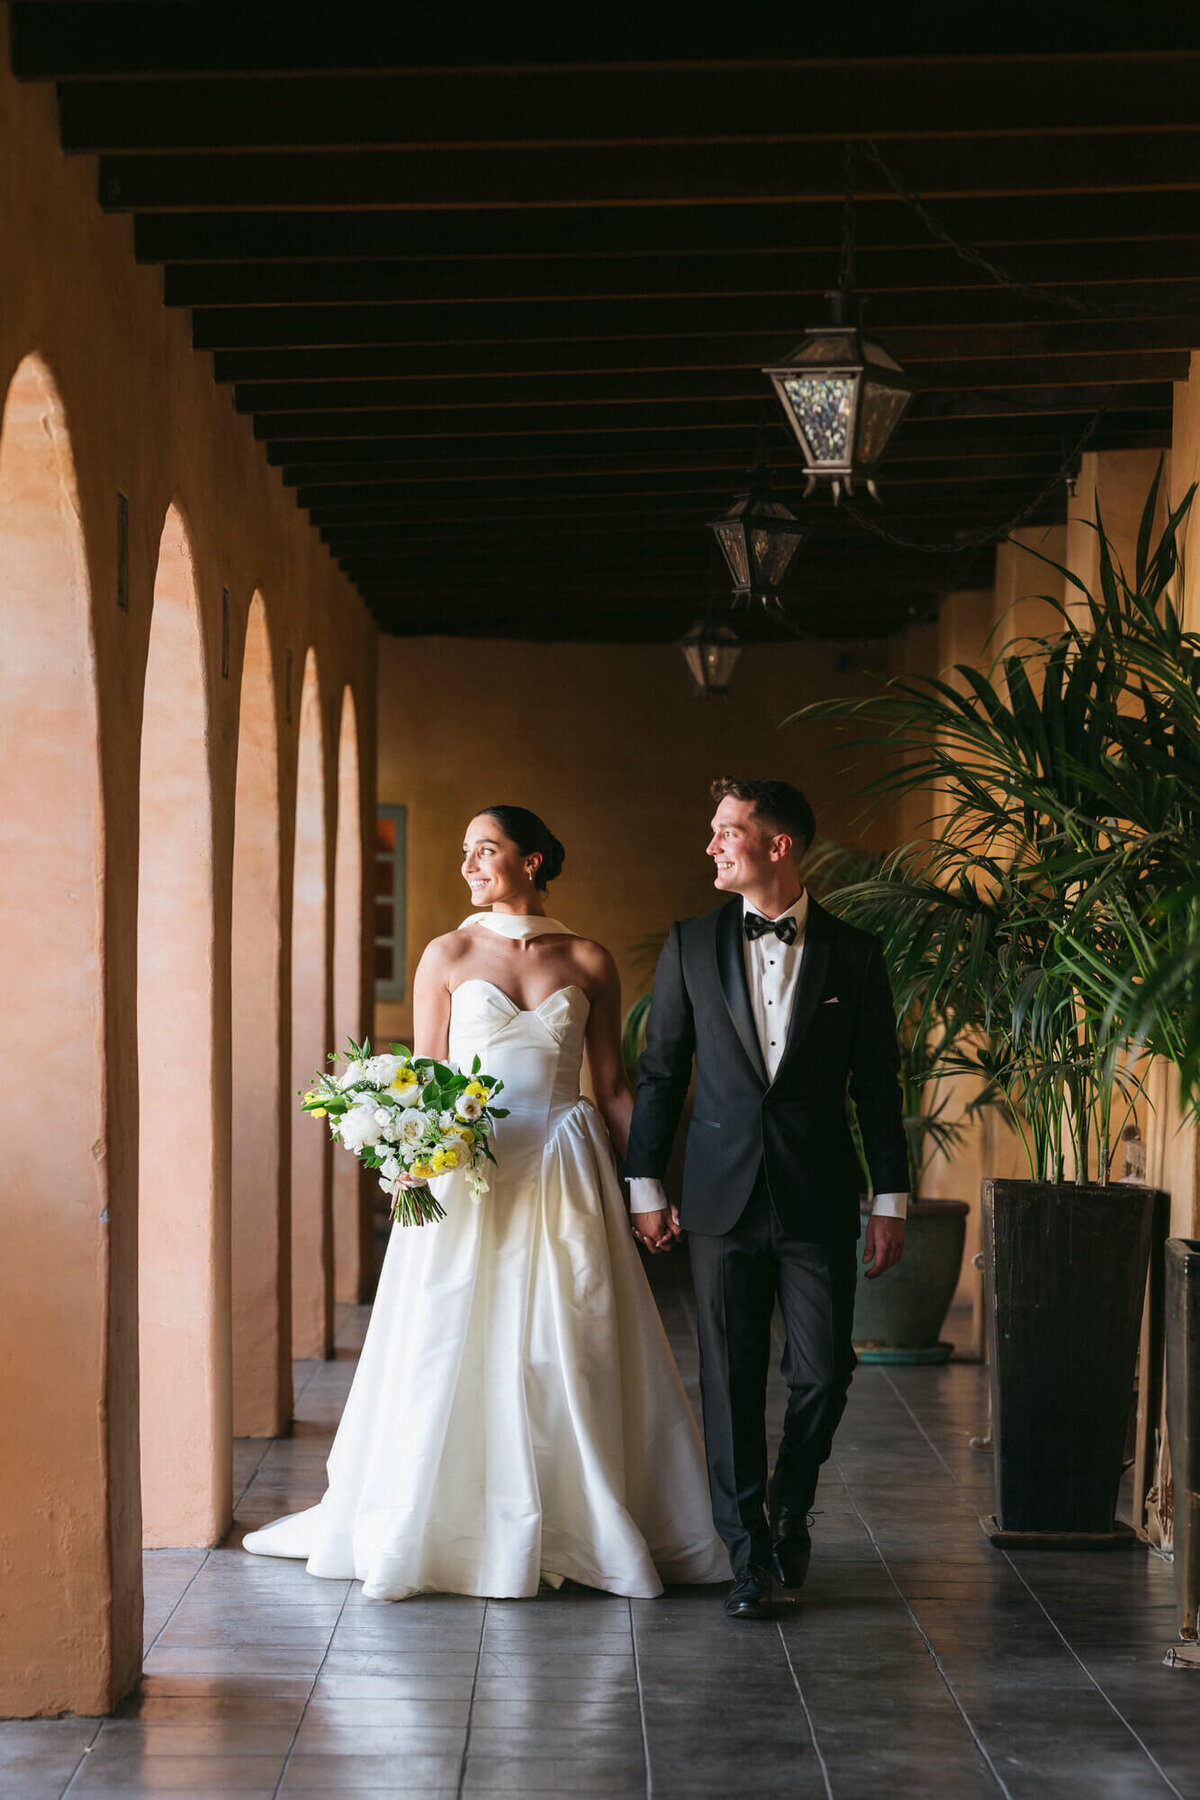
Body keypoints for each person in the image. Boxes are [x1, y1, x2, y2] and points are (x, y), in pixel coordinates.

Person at [244, 804, 726, 1600]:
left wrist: (648, 1185)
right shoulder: (447, 953)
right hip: (469, 1164)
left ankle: (579, 1515)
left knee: (570, 1332)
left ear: (532, 861)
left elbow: (610, 1086)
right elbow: (424, 1076)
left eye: (487, 849)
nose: (470, 865)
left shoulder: (589, 958)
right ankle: (447, 1520)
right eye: (465, 851)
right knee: (448, 1333)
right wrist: (405, 1158)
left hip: (565, 1163)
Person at [626, 778, 908, 1621]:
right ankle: (747, 1554)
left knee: (823, 1374)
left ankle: (791, 1500)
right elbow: (661, 1073)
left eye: (726, 831)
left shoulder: (855, 954)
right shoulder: (688, 945)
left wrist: (889, 1200)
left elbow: (880, 1087)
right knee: (730, 1378)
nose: (712, 845)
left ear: (777, 845)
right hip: (717, 1198)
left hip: (817, 1196)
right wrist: (646, 1183)